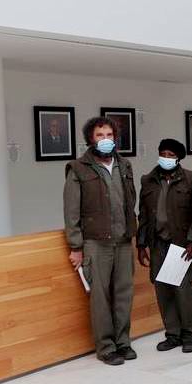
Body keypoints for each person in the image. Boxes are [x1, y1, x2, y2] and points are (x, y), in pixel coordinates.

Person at [63, 116, 138, 366]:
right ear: (90, 140)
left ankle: (123, 342)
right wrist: (76, 246)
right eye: (99, 136)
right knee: (100, 297)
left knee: (124, 293)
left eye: (109, 135)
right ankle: (106, 346)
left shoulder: (124, 165)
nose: (105, 140)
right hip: (96, 243)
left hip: (124, 240)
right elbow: (71, 212)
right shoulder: (78, 169)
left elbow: (131, 200)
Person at [136, 139, 192, 354]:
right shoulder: (148, 180)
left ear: (178, 158)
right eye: (163, 153)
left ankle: (190, 334)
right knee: (163, 290)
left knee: (184, 291)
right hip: (157, 244)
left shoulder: (191, 179)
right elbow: (143, 215)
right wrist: (141, 243)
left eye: (171, 154)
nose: (166, 157)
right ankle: (172, 334)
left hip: (181, 244)